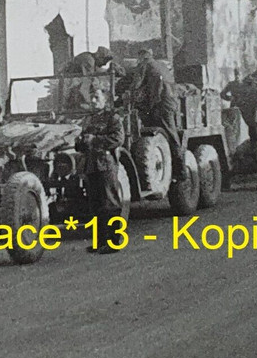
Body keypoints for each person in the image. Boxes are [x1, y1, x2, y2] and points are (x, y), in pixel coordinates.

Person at [76, 85, 125, 254]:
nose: (93, 100)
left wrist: (95, 139)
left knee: (109, 203)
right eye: (91, 97)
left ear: (106, 100)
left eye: (97, 97)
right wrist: (80, 141)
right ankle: (99, 242)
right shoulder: (88, 119)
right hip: (90, 164)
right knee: (95, 204)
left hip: (106, 163)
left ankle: (113, 242)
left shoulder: (112, 117)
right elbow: (81, 144)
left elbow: (118, 138)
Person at [130, 50, 187, 180]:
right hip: (171, 102)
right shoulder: (161, 65)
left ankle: (180, 170)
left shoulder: (145, 65)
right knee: (171, 132)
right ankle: (178, 168)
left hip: (162, 104)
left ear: (141, 57)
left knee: (169, 133)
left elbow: (136, 85)